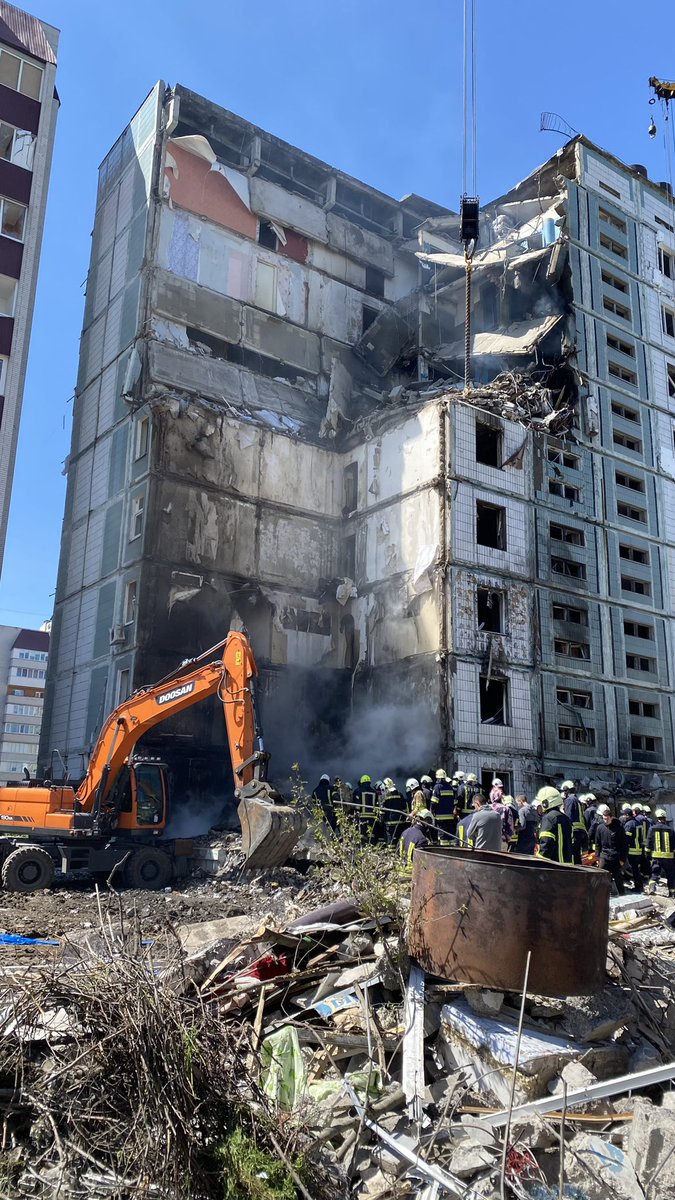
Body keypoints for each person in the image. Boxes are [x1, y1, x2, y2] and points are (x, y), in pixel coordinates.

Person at [595, 804, 629, 894]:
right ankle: (601, 894)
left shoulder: (618, 828)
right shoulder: (600, 828)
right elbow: (597, 844)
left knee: (618, 878)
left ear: (611, 818)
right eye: (603, 819)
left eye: (607, 819)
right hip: (604, 856)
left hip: (615, 857)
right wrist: (598, 858)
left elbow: (624, 845)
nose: (605, 821)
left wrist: (622, 859)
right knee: (601, 876)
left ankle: (622, 894)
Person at [537, 787, 573, 864]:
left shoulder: (548, 818)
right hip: (568, 865)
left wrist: (539, 861)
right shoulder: (565, 818)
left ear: (545, 803)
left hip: (555, 867)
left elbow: (546, 842)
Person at [646, 809, 675, 896]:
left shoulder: (652, 829)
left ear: (657, 818)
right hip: (669, 857)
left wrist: (648, 855)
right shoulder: (671, 830)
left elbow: (649, 843)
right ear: (665, 818)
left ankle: (651, 887)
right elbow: (674, 845)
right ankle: (672, 893)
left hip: (656, 857)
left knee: (654, 873)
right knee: (671, 875)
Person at [620, 803, 643, 892]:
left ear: (627, 815)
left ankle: (638, 887)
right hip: (639, 850)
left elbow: (627, 839)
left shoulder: (629, 824)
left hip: (632, 851)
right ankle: (639, 886)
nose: (623, 816)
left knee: (634, 870)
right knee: (636, 869)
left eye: (624, 815)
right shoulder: (637, 822)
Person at [562, 783, 587, 865]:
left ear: (567, 790)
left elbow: (568, 817)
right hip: (581, 831)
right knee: (577, 856)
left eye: (564, 791)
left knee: (571, 854)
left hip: (574, 831)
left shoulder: (569, 800)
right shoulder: (577, 800)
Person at [431, 769, 457, 844]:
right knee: (450, 835)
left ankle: (444, 849)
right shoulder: (450, 787)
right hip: (450, 816)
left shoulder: (437, 787)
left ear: (437, 778)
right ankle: (452, 849)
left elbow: (434, 801)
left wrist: (432, 811)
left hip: (440, 817)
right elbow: (454, 802)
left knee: (442, 836)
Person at [381, 777, 407, 846]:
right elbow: (404, 808)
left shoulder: (385, 795)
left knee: (390, 841)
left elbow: (382, 810)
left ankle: (391, 854)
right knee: (399, 839)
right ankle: (399, 853)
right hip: (400, 822)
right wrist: (404, 818)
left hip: (390, 822)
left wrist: (381, 819)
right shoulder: (400, 794)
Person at [353, 774, 377, 844]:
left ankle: (362, 847)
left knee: (362, 833)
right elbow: (376, 804)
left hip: (362, 816)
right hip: (372, 816)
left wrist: (356, 813)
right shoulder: (374, 792)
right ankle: (371, 846)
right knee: (371, 833)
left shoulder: (358, 791)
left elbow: (357, 804)